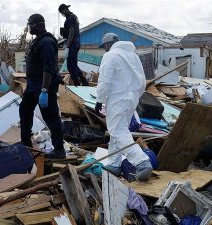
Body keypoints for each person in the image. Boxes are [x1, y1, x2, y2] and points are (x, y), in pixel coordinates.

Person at [95, 33, 153, 181]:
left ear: (107, 45)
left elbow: (104, 80)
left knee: (117, 130)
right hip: (132, 98)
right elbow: (142, 80)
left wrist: (99, 99)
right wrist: (134, 96)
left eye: (104, 47)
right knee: (118, 130)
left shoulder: (110, 56)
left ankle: (141, 161)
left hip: (117, 97)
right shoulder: (133, 56)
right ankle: (114, 164)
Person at [20, 14, 65, 159]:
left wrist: (44, 90)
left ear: (39, 24)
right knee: (25, 110)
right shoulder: (37, 41)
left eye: (31, 24)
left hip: (44, 85)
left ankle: (59, 150)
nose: (29, 27)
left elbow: (48, 67)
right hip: (33, 85)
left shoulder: (46, 42)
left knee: (51, 117)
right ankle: (26, 144)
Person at [58, 3, 88, 86]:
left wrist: (67, 47)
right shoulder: (73, 16)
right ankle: (83, 82)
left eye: (62, 13)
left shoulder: (70, 18)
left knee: (70, 65)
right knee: (73, 64)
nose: (62, 14)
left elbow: (71, 31)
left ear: (64, 10)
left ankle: (77, 83)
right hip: (76, 42)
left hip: (73, 43)